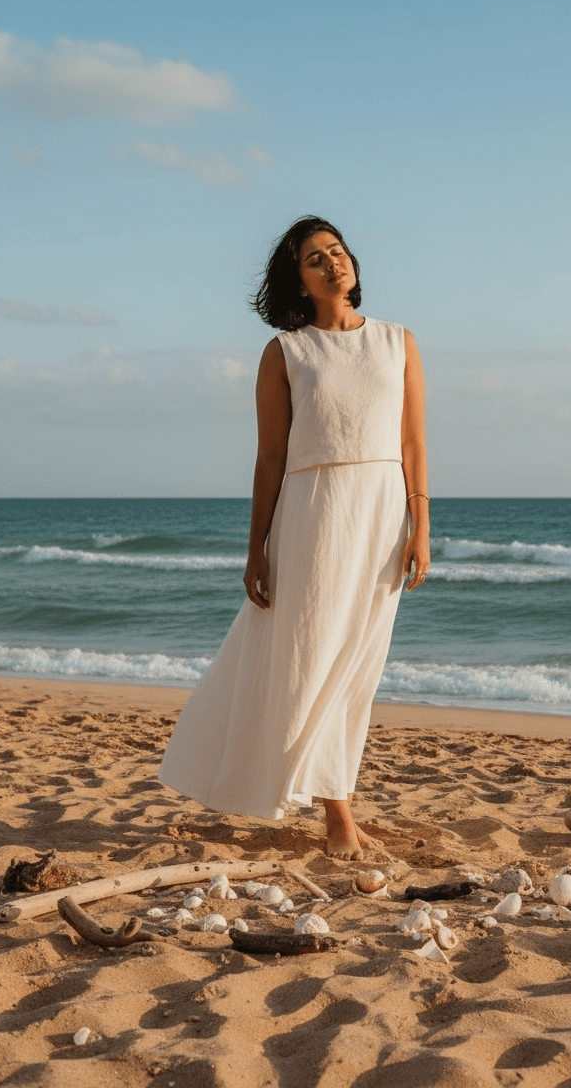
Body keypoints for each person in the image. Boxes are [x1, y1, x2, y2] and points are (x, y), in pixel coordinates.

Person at [158, 216, 430, 860]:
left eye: (337, 252)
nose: (333, 264)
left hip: (381, 512)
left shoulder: (399, 342)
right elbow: (270, 457)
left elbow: (413, 442)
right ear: (299, 282)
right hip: (314, 514)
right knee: (315, 660)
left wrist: (421, 525)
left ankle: (338, 803)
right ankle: (338, 818)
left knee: (358, 663)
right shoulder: (287, 352)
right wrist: (256, 547)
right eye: (315, 259)